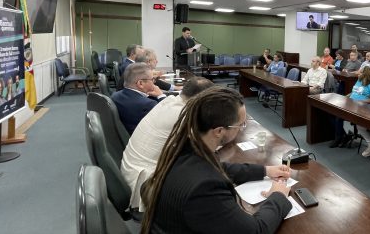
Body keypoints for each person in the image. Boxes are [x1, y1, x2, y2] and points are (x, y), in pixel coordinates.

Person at [140, 87, 292, 234]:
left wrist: (266, 170)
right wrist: (278, 196)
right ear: (219, 131)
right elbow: (257, 230)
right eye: (240, 125)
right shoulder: (204, 188)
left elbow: (221, 168)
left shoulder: (182, 148)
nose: (241, 128)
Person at [121, 77, 214, 209]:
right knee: (204, 181)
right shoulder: (184, 115)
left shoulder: (170, 101)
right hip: (144, 184)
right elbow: (205, 147)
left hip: (131, 171)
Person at [112, 63, 166, 134]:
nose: (154, 82)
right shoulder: (148, 104)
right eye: (152, 79)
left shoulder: (114, 95)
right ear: (140, 83)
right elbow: (167, 118)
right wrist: (161, 95)